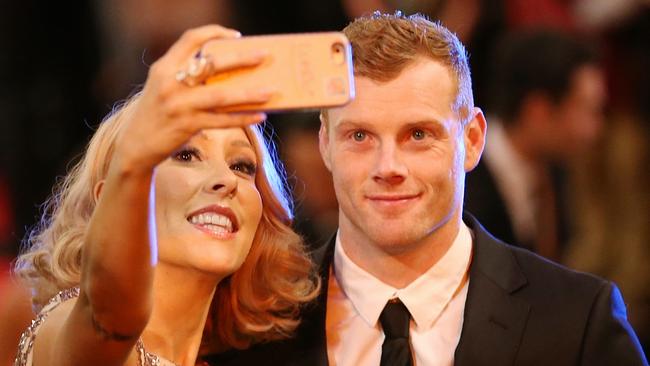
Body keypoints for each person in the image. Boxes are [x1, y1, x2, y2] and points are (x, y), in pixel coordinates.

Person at [207, 12, 648, 365]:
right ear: (325, 143)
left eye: (418, 135)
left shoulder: (577, 320)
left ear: (472, 140)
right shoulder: (254, 326)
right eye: (359, 136)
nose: (388, 167)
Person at [13, 24, 319, 366]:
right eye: (186, 155)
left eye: (242, 166)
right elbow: (108, 323)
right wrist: (134, 160)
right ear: (111, 197)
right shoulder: (70, 326)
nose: (225, 180)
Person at [464, 29, 606, 260]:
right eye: (586, 110)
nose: (596, 129)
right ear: (538, 111)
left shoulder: (555, 170)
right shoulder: (466, 180)